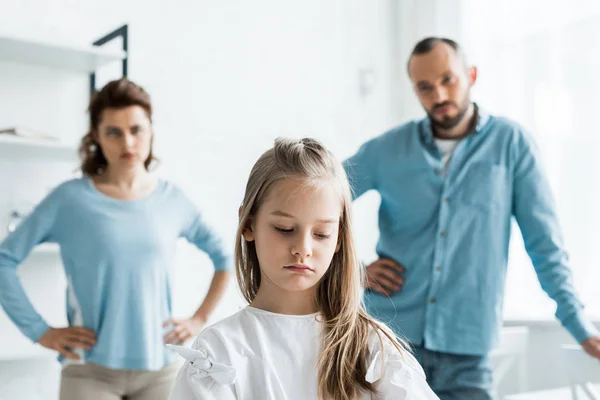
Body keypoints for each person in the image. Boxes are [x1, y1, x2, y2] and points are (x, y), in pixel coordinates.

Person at [343, 36, 600, 399]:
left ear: (472, 75)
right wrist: (354, 271)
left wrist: (579, 326)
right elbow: (317, 201)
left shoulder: (512, 145)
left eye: (448, 80)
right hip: (386, 341)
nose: (440, 96)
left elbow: (544, 244)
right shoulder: (386, 150)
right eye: (425, 87)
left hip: (466, 350)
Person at [0, 78, 232, 400]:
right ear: (96, 136)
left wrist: (199, 319)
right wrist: (40, 331)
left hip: (162, 372)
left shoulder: (173, 201)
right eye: (114, 132)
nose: (128, 142)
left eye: (136, 129)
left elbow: (225, 257)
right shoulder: (69, 200)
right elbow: (4, 260)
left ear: (150, 130)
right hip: (88, 372)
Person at [168, 138, 439, 400]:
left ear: (339, 239)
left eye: (321, 233)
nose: (303, 248)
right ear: (248, 224)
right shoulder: (220, 352)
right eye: (285, 229)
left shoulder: (373, 348)